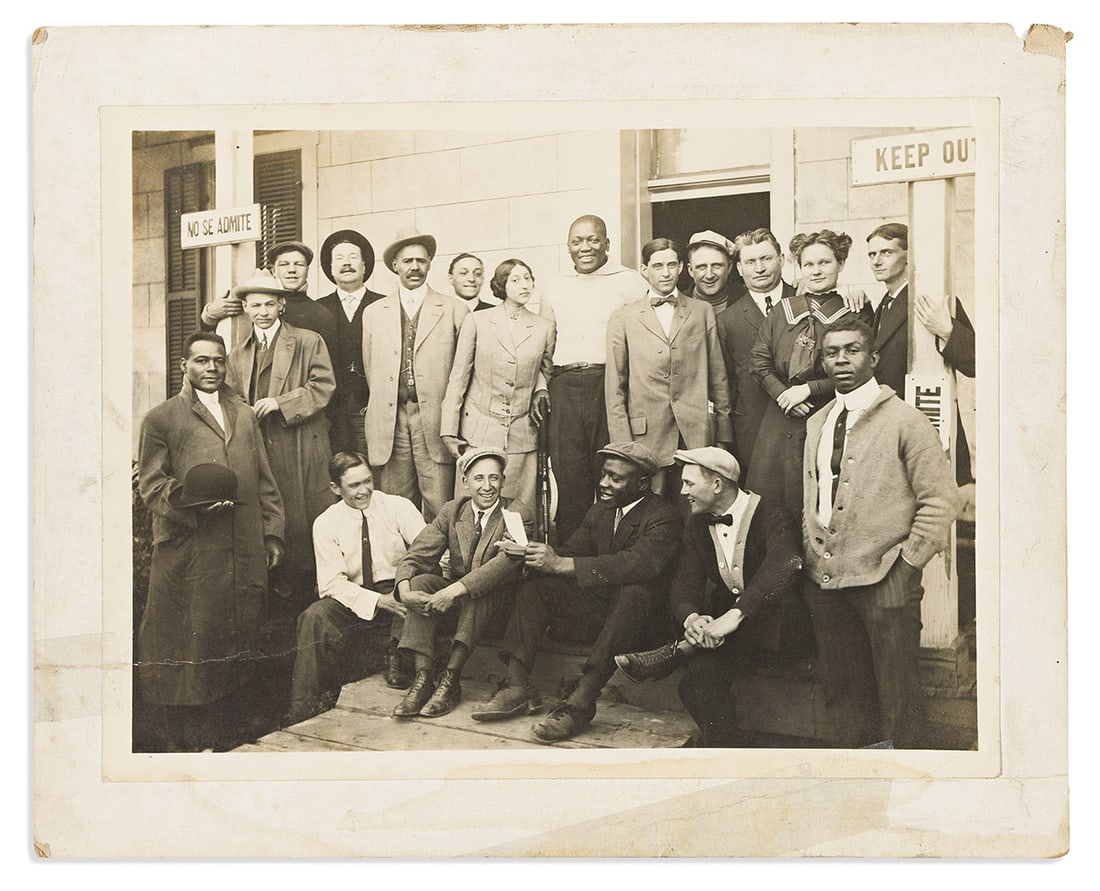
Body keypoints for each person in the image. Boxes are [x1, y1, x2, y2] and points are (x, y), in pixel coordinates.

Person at [803, 320, 961, 748]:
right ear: (822, 361)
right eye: (832, 352)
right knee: (845, 695)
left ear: (872, 359)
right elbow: (812, 498)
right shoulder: (817, 423)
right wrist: (813, 551)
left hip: (886, 580)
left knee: (899, 699)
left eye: (852, 350)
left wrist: (906, 566)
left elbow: (942, 501)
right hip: (827, 581)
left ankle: (905, 788)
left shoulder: (906, 421)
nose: (841, 360)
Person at [472, 442, 683, 743]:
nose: (603, 483)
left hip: (642, 627)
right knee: (538, 586)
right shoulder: (600, 511)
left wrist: (562, 563)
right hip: (602, 615)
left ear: (643, 484)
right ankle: (516, 686)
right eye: (604, 474)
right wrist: (533, 554)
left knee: (635, 592)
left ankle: (581, 702)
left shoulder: (664, 516)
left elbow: (636, 565)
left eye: (615, 478)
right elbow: (571, 553)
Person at [136, 331, 285, 751]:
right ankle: (190, 738)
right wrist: (192, 505)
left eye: (218, 360)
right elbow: (152, 484)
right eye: (202, 361)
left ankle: (237, 730)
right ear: (185, 365)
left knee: (243, 630)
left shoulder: (243, 413)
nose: (212, 368)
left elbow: (264, 477)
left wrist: (272, 532)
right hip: (191, 549)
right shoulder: (162, 419)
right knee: (195, 637)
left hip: (244, 544)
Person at [614, 448, 810, 748]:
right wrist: (691, 617)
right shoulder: (697, 525)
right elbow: (684, 582)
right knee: (696, 684)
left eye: (690, 484)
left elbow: (785, 564)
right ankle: (723, 751)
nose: (682, 492)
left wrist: (735, 616)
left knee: (717, 650)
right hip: (725, 634)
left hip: (777, 626)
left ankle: (678, 652)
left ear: (717, 485)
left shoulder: (772, 513)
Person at [224, 270, 336, 616]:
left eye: (269, 304)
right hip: (259, 444)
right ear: (244, 308)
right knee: (268, 516)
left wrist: (281, 403)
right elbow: (230, 395)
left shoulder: (307, 340)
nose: (262, 311)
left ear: (281, 305)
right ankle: (273, 603)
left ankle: (305, 603)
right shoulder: (238, 352)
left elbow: (323, 386)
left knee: (301, 518)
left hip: (299, 441)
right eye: (254, 305)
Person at [391, 448, 534, 718]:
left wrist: (455, 589)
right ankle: (423, 679)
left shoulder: (517, 513)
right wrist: (405, 590)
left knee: (484, 588)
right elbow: (417, 554)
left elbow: (505, 565)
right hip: (460, 606)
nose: (487, 486)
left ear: (503, 481)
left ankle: (451, 678)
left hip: (498, 611)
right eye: (479, 478)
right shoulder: (453, 510)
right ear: (466, 482)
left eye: (494, 478)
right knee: (421, 582)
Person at [284, 452, 426, 724]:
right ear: (335, 488)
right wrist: (376, 601)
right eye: (354, 486)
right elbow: (331, 584)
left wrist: (404, 587)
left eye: (368, 481)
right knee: (316, 616)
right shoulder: (326, 523)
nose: (364, 491)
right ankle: (302, 706)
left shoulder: (398, 507)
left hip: (399, 590)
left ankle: (397, 654)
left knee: (416, 589)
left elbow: (429, 551)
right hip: (354, 597)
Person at [746, 229, 873, 518]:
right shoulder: (781, 311)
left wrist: (808, 389)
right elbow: (759, 362)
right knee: (773, 506)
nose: (816, 271)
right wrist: (783, 394)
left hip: (829, 415)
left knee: (821, 501)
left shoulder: (854, 312)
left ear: (840, 263)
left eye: (825, 263)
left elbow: (856, 370)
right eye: (808, 265)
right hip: (779, 421)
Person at [537, 214, 648, 544]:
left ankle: (610, 553)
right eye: (577, 241)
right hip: (564, 384)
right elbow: (544, 344)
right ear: (568, 247)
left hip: (608, 385)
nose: (585, 247)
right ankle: (572, 557)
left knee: (611, 473)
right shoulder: (555, 285)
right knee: (570, 476)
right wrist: (542, 386)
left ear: (607, 244)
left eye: (593, 240)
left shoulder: (629, 282)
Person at [605, 238, 733, 496]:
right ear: (644, 270)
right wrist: (623, 444)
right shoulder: (623, 318)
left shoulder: (701, 311)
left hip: (696, 432)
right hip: (646, 436)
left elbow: (718, 378)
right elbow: (614, 386)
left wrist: (723, 434)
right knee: (652, 507)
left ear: (682, 267)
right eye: (657, 266)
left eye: (672, 265)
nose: (666, 273)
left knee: (696, 508)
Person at [361, 226, 469, 522]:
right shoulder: (374, 312)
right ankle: (404, 565)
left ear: (430, 263)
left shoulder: (453, 309)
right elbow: (371, 369)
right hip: (391, 419)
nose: (414, 267)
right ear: (394, 265)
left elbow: (463, 373)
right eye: (407, 261)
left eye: (421, 260)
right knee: (396, 503)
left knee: (440, 502)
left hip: (433, 420)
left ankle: (443, 566)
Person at [440, 258, 556, 509]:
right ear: (501, 285)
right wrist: (448, 430)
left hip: (521, 434)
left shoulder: (544, 327)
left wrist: (541, 388)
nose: (524, 284)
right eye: (515, 279)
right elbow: (458, 377)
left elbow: (544, 369)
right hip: (480, 430)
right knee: (472, 508)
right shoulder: (478, 321)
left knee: (519, 510)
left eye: (528, 278)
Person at [867, 222, 976, 485]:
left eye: (886, 252)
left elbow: (975, 361)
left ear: (909, 257)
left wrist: (948, 330)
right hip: (889, 429)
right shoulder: (883, 305)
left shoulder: (931, 300)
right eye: (872, 254)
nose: (877, 261)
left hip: (925, 424)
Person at [716, 228, 796, 473]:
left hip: (803, 423)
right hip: (754, 430)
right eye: (750, 262)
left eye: (766, 259)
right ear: (739, 269)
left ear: (781, 260)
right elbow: (726, 382)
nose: (759, 268)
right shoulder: (727, 320)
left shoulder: (803, 299)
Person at [317, 229, 387, 454]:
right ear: (330, 268)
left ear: (365, 266)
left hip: (372, 410)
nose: (346, 264)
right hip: (331, 413)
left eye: (353, 257)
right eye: (339, 258)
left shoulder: (385, 306)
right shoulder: (318, 309)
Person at [266, 241, 339, 365]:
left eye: (299, 264)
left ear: (307, 271)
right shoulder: (260, 309)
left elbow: (329, 371)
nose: (292, 270)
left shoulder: (321, 314)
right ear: (273, 271)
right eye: (284, 264)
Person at [685, 229, 738, 314]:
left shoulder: (747, 299)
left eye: (716, 266)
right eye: (701, 267)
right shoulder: (675, 304)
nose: (709, 276)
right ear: (690, 270)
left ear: (729, 267)